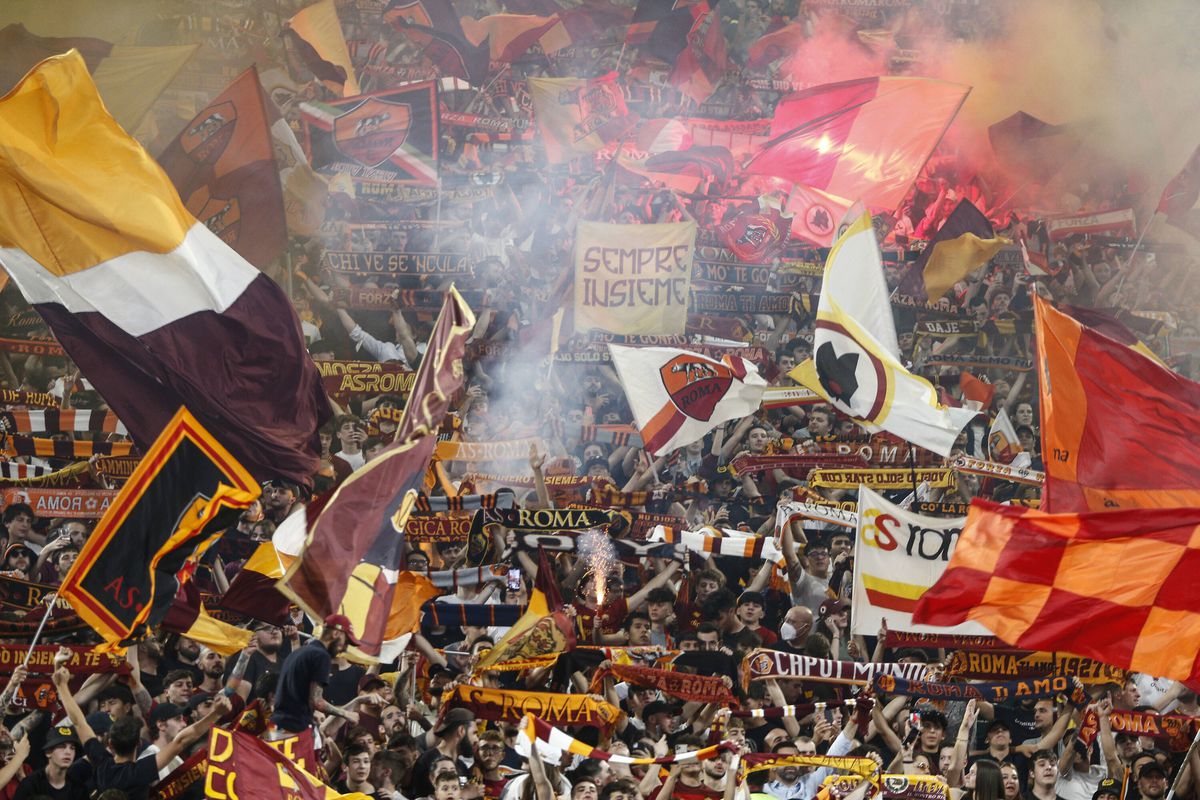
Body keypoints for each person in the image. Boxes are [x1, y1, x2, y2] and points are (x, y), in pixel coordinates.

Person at [53, 659, 230, 800]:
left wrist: (61, 685)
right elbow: (182, 740)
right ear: (138, 743)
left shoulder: (102, 764)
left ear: (111, 744)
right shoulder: (141, 771)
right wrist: (216, 714)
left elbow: (78, 722)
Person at [270, 613, 362, 736]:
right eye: (345, 642)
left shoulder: (298, 653)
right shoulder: (320, 656)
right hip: (294, 730)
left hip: (276, 727)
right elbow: (317, 701)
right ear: (336, 634)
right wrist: (346, 714)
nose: (344, 649)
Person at [11, 725, 88, 800]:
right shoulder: (31, 785)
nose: (68, 752)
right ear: (48, 752)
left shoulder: (79, 789)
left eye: (72, 748)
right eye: (62, 746)